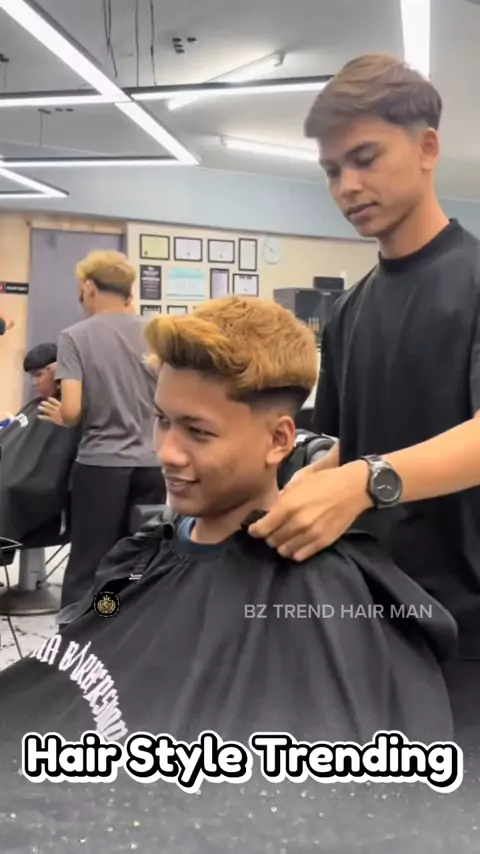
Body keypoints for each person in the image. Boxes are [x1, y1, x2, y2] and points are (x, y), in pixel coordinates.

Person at [0, 296, 456, 754]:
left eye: (198, 432)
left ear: (278, 440)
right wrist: (93, 614)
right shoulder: (136, 564)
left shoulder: (323, 600)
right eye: (162, 420)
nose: (166, 452)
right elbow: (100, 625)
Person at [246, 54, 480, 746]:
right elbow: (353, 444)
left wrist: (363, 482)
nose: (347, 185)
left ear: (427, 148)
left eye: (365, 158)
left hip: (467, 629)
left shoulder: (474, 282)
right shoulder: (349, 312)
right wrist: (283, 496)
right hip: (372, 614)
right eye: (331, 170)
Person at [38, 250, 165, 609]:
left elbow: (72, 410)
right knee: (138, 558)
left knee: (89, 562)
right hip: (151, 464)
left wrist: (62, 416)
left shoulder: (75, 337)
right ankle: (124, 625)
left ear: (89, 287)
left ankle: (80, 631)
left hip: (100, 467)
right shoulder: (155, 334)